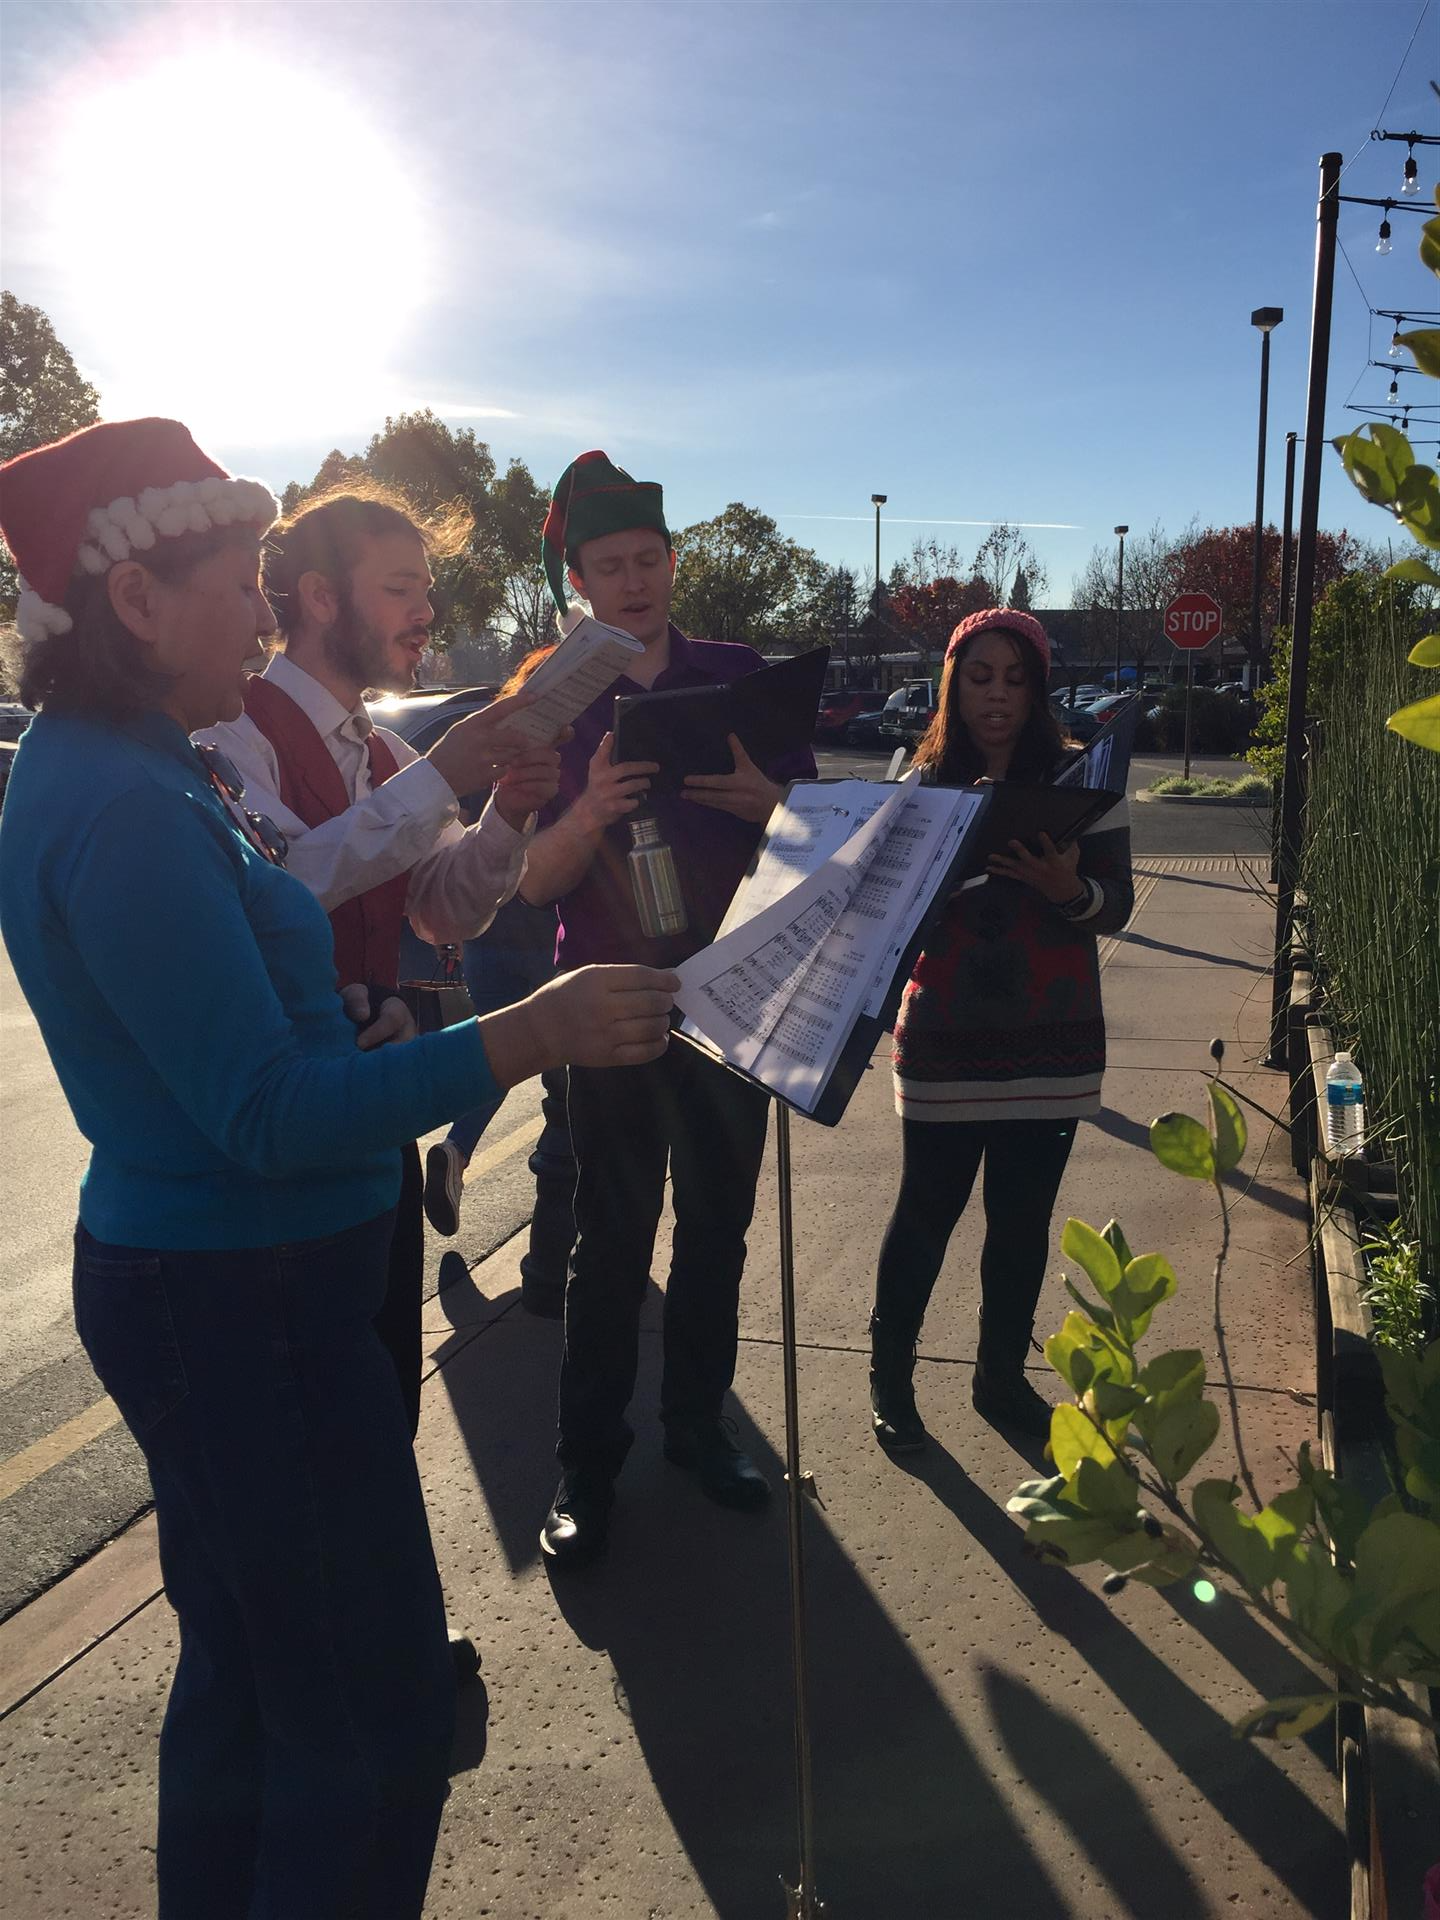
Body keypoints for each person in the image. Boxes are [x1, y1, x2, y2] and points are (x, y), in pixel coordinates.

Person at [0, 418, 678, 1920]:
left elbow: (281, 998)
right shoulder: (121, 803)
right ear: (132, 602)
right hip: (241, 1296)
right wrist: (525, 1036)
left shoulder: (135, 766)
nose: (261, 611)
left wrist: (372, 1002)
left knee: (254, 1688)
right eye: (243, 579)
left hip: (242, 1286)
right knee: (366, 1725)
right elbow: (262, 1116)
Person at [199, 484, 560, 1451]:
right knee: (300, 1421)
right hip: (275, 1134)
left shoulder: (390, 749)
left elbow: (444, 903)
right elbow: (284, 885)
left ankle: (384, 1596)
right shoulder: (228, 733)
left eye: (425, 588)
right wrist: (447, 776)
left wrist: (511, 813)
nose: (426, 612)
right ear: (321, 598)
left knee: (387, 1386)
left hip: (371, 1109)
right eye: (401, 587)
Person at [520, 451, 816, 1567]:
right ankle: (586, 1464)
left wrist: (769, 801)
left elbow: (816, 838)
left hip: (737, 995)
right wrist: (589, 809)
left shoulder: (740, 676)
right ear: (580, 581)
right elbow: (533, 883)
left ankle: (697, 1429)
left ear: (672, 561)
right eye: (611, 566)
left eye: (649, 559)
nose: (635, 582)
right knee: (611, 1238)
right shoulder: (549, 697)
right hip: (609, 1003)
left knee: (719, 1230)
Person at [868, 607, 1134, 1448]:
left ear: (1039, 689)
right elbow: (882, 916)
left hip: (1052, 1039)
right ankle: (890, 1382)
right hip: (943, 1036)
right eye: (979, 677)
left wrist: (1067, 888)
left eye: (1016, 680)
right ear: (952, 682)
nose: (998, 696)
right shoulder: (917, 782)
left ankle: (998, 1380)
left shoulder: (1081, 781)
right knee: (925, 1214)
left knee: (1021, 1222)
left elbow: (1115, 902)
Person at [421, 647, 577, 1322]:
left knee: (495, 1057)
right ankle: (548, 1269)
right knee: (568, 1098)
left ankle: (456, 1150)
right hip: (546, 931)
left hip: (487, 932)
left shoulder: (496, 748)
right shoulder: (570, 754)